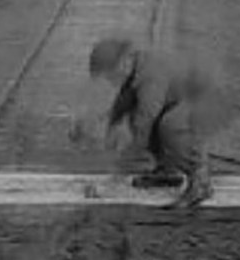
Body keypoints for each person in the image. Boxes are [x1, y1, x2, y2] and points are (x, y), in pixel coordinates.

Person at [86, 37, 228, 208]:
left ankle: (200, 179)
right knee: (143, 117)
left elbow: (143, 128)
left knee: (171, 125)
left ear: (125, 60)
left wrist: (115, 179)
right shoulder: (137, 67)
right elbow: (126, 100)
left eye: (110, 74)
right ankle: (168, 170)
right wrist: (109, 124)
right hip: (188, 98)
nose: (110, 80)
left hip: (209, 101)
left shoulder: (150, 77)